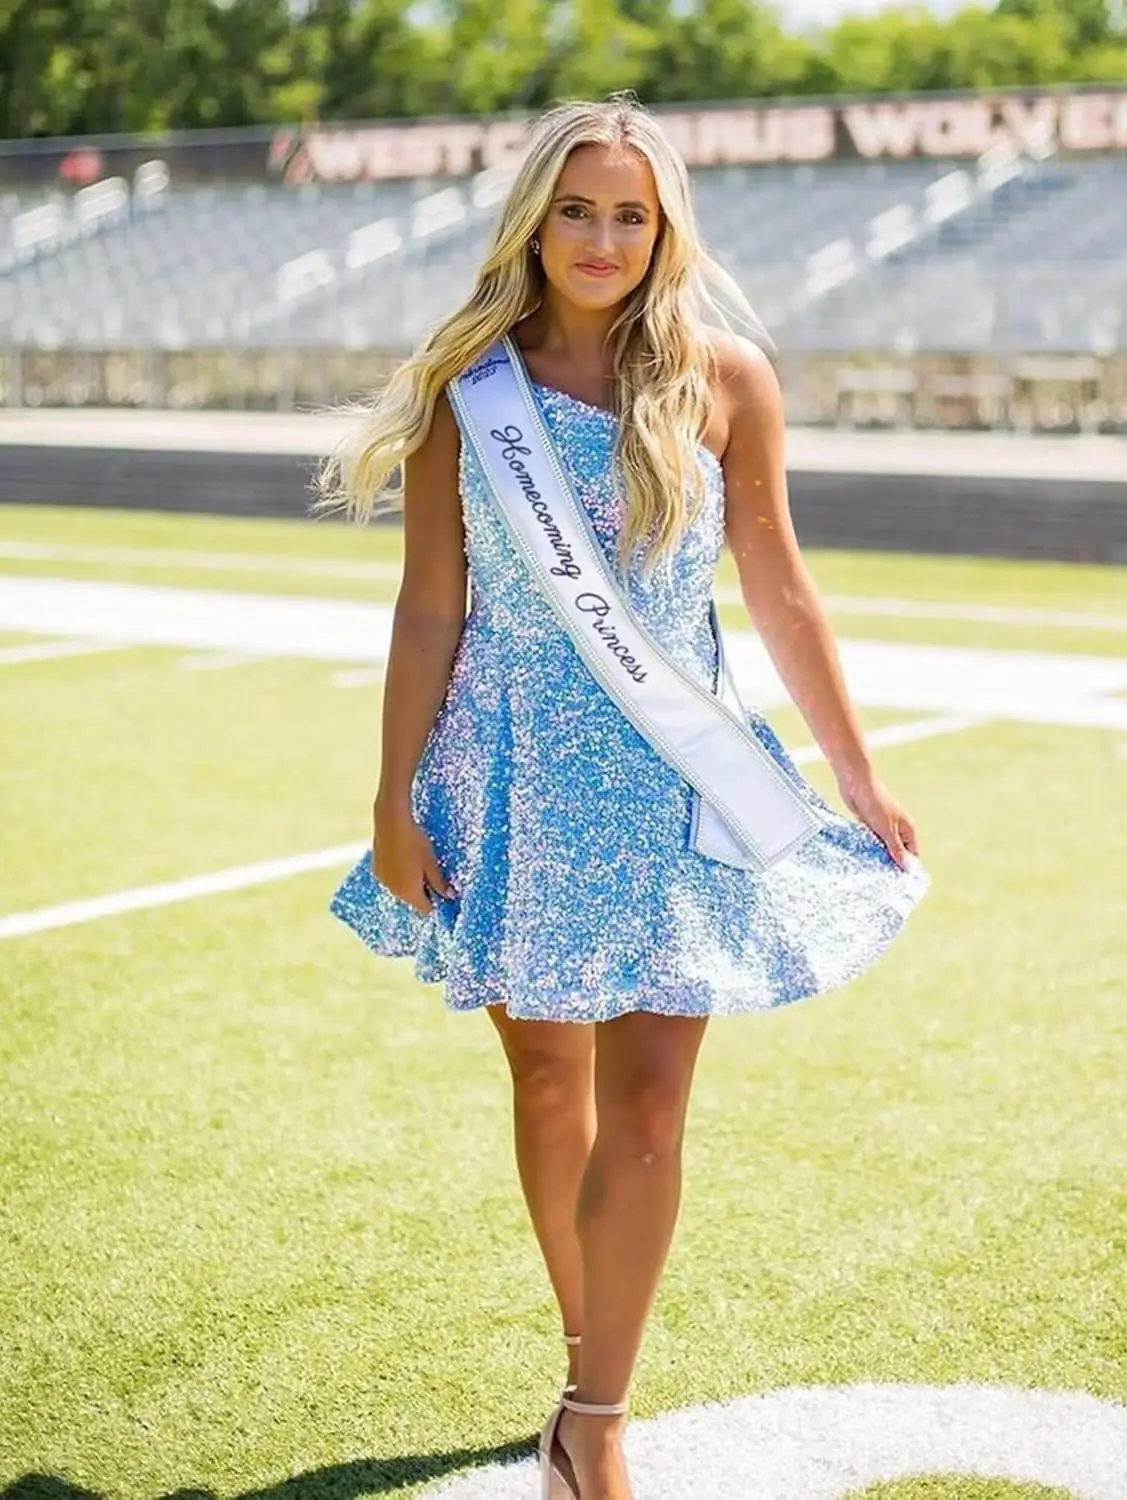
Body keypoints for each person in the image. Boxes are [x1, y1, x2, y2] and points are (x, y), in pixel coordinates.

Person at [316, 94, 929, 1500]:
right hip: (515, 764)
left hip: (675, 778)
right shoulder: (469, 386)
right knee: (549, 1082)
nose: (600, 238)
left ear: (664, 231)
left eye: (629, 214)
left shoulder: (722, 379)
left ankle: (595, 1415)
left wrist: (850, 762)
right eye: (576, 209)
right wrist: (390, 796)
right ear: (534, 219)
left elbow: (775, 577)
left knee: (649, 1107)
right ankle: (585, 1348)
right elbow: (428, 606)